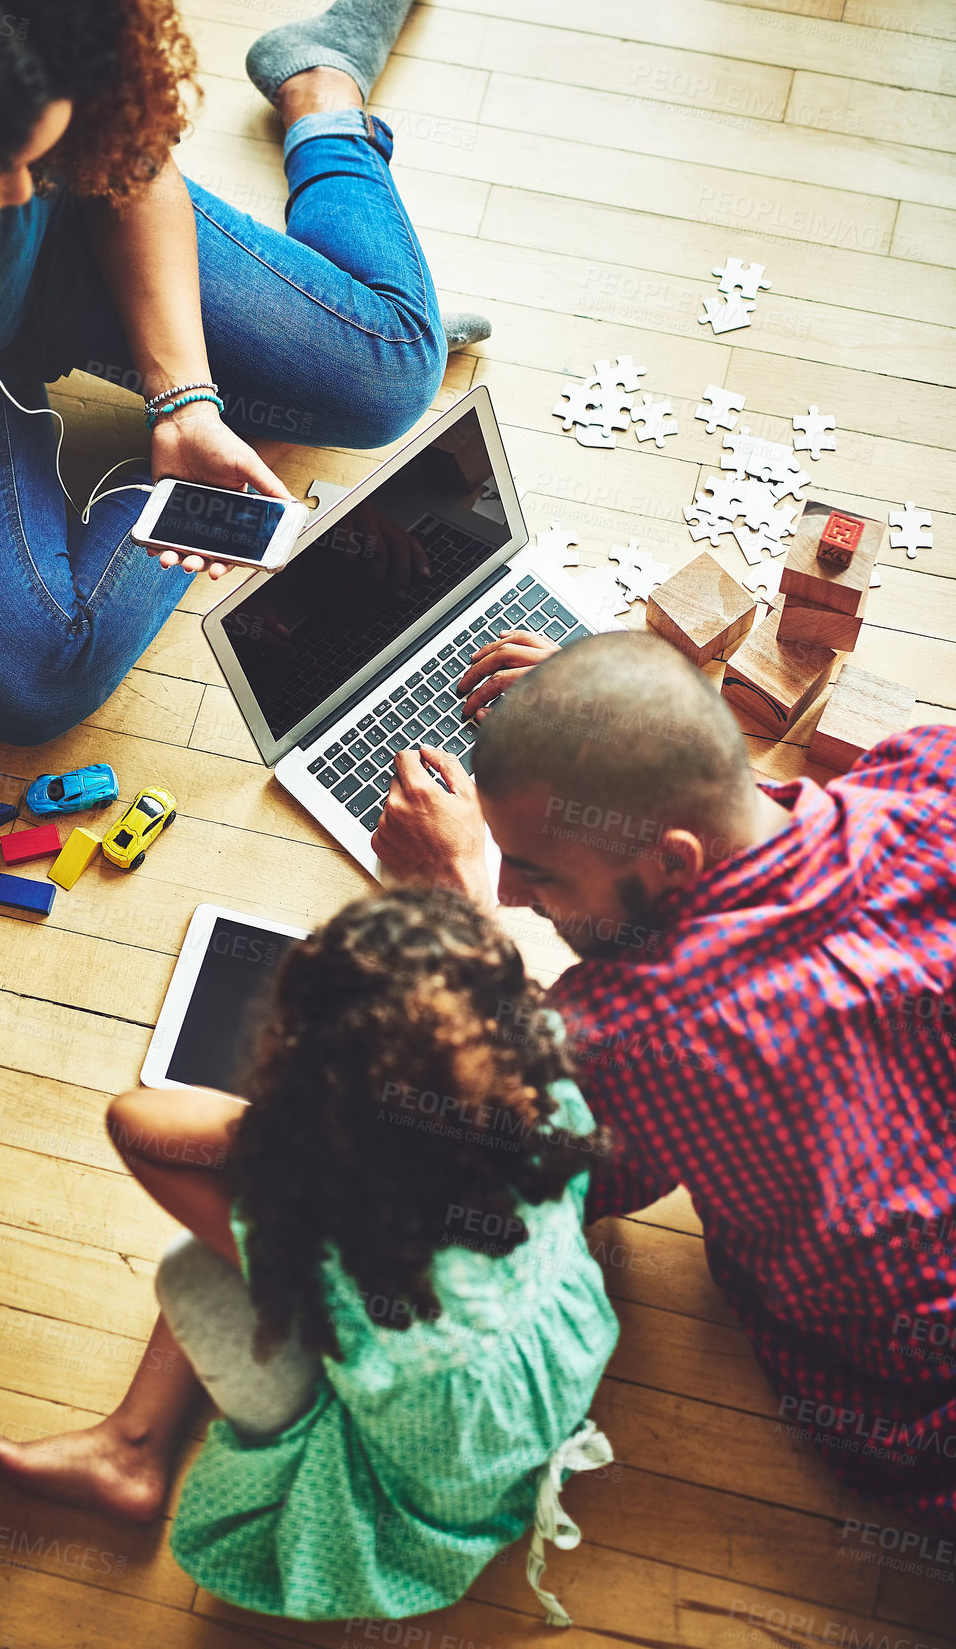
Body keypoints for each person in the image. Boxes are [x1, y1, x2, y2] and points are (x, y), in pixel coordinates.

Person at [0, 0, 484, 745]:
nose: (18, 192)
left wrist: (187, 400)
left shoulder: (42, 11)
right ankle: (272, 406)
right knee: (32, 688)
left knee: (390, 379)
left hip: (66, 260)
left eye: (40, 151)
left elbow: (130, 166)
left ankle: (320, 90)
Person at [371, 627, 956, 1525]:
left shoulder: (637, 1037)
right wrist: (626, 733)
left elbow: (503, 1166)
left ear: (676, 861)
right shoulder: (930, 772)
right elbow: (732, 813)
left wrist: (455, 898)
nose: (519, 896)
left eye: (533, 871)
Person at [0, 888, 619, 1625]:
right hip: (521, 1402)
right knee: (257, 1217)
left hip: (413, 1499)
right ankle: (132, 1443)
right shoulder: (552, 1099)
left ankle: (133, 1450)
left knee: (196, 1271)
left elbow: (137, 1122)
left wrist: (291, 1133)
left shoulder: (344, 1258)